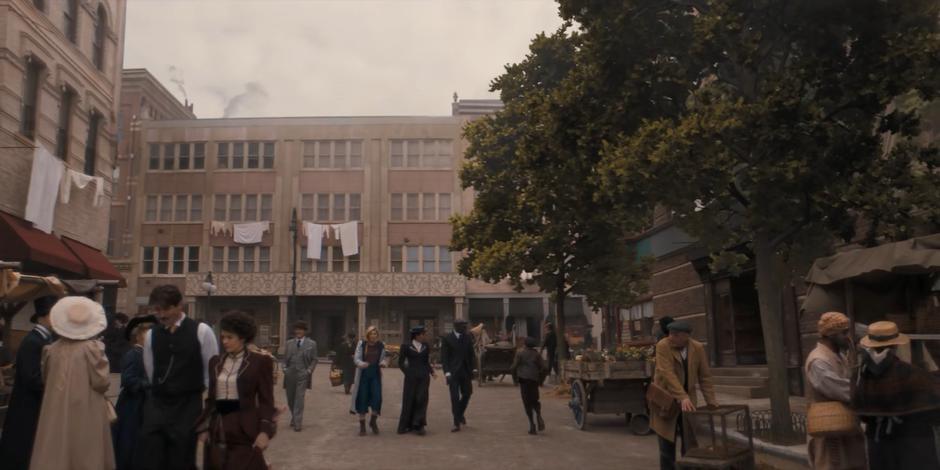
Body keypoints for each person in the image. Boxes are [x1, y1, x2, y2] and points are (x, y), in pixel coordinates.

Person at [137, 285, 219, 470]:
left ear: (179, 306)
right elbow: (150, 370)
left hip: (187, 404)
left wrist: (208, 412)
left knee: (182, 457)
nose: (160, 315)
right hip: (158, 404)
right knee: (152, 455)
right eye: (156, 310)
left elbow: (210, 373)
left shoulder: (202, 331)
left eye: (165, 309)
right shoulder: (151, 335)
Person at [29, 296, 114, 470]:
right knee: (85, 451)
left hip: (55, 407)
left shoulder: (51, 350)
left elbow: (46, 379)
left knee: (56, 449)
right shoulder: (93, 349)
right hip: (86, 407)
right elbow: (102, 382)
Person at [853, 320, 940, 470]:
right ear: (895, 346)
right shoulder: (910, 373)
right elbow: (934, 405)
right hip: (911, 442)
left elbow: (860, 411)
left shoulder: (860, 375)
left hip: (878, 442)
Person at [197, 311, 276, 470]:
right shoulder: (215, 362)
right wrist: (205, 425)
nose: (224, 341)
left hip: (244, 427)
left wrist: (265, 431)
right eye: (223, 337)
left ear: (243, 338)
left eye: (229, 337)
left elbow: (266, 400)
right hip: (218, 426)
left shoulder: (260, 362)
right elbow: (211, 399)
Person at [651, 320, 717, 470]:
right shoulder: (663, 345)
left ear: (686, 336)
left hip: (688, 403)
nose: (670, 337)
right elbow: (667, 373)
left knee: (690, 445)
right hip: (666, 400)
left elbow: (705, 377)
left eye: (675, 335)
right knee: (666, 446)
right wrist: (682, 397)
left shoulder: (698, 348)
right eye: (670, 334)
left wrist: (711, 402)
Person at [804, 312, 867, 470]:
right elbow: (840, 389)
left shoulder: (838, 355)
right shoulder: (818, 361)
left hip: (845, 427)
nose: (848, 337)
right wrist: (870, 392)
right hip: (829, 430)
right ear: (831, 335)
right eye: (844, 333)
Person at [0, 296, 57, 470]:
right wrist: (54, 387)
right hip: (27, 405)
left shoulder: (44, 339)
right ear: (45, 316)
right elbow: (31, 377)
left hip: (33, 404)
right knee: (22, 446)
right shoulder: (33, 341)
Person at [113, 314, 156, 470]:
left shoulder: (147, 355)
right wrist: (148, 384)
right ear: (138, 336)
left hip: (143, 405)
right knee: (128, 442)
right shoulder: (133, 354)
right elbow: (128, 379)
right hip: (132, 406)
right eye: (146, 333)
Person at [397, 325, 436, 435]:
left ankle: (419, 425)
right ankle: (405, 425)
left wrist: (432, 372)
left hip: (424, 377)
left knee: (421, 399)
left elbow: (426, 362)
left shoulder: (426, 346)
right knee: (409, 399)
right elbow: (400, 363)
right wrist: (407, 372)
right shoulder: (406, 346)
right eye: (423, 334)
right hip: (411, 377)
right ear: (417, 335)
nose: (425, 336)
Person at [350, 326, 386, 436]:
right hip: (364, 375)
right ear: (368, 335)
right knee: (362, 398)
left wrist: (383, 363)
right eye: (371, 334)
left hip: (375, 374)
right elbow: (356, 359)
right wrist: (362, 364)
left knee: (377, 398)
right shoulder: (362, 344)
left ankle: (373, 421)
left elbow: (383, 358)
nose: (373, 336)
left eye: (375, 334)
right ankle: (362, 426)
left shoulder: (380, 345)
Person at [441, 319, 475, 432]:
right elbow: (444, 358)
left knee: (467, 394)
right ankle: (456, 423)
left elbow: (472, 355)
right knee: (454, 397)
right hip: (453, 373)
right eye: (463, 326)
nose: (465, 328)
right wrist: (447, 372)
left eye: (465, 326)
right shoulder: (447, 339)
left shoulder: (467, 338)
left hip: (465, 372)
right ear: (456, 326)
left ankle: (459, 413)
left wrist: (473, 369)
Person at [283, 321, 317, 432]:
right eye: (296, 329)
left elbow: (314, 359)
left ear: (305, 331)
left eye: (301, 329)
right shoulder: (289, 343)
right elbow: (284, 359)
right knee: (290, 398)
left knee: (299, 398)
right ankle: (294, 416)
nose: (298, 331)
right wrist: (284, 369)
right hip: (290, 374)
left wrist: (309, 370)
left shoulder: (311, 344)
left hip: (303, 374)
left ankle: (298, 423)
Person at [510, 336, 547, 435]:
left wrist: (514, 379)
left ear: (525, 344)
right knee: (535, 400)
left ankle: (532, 425)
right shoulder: (536, 354)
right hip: (534, 380)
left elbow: (514, 367)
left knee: (527, 402)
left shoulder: (520, 353)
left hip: (524, 380)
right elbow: (544, 367)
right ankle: (538, 414)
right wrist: (540, 380)